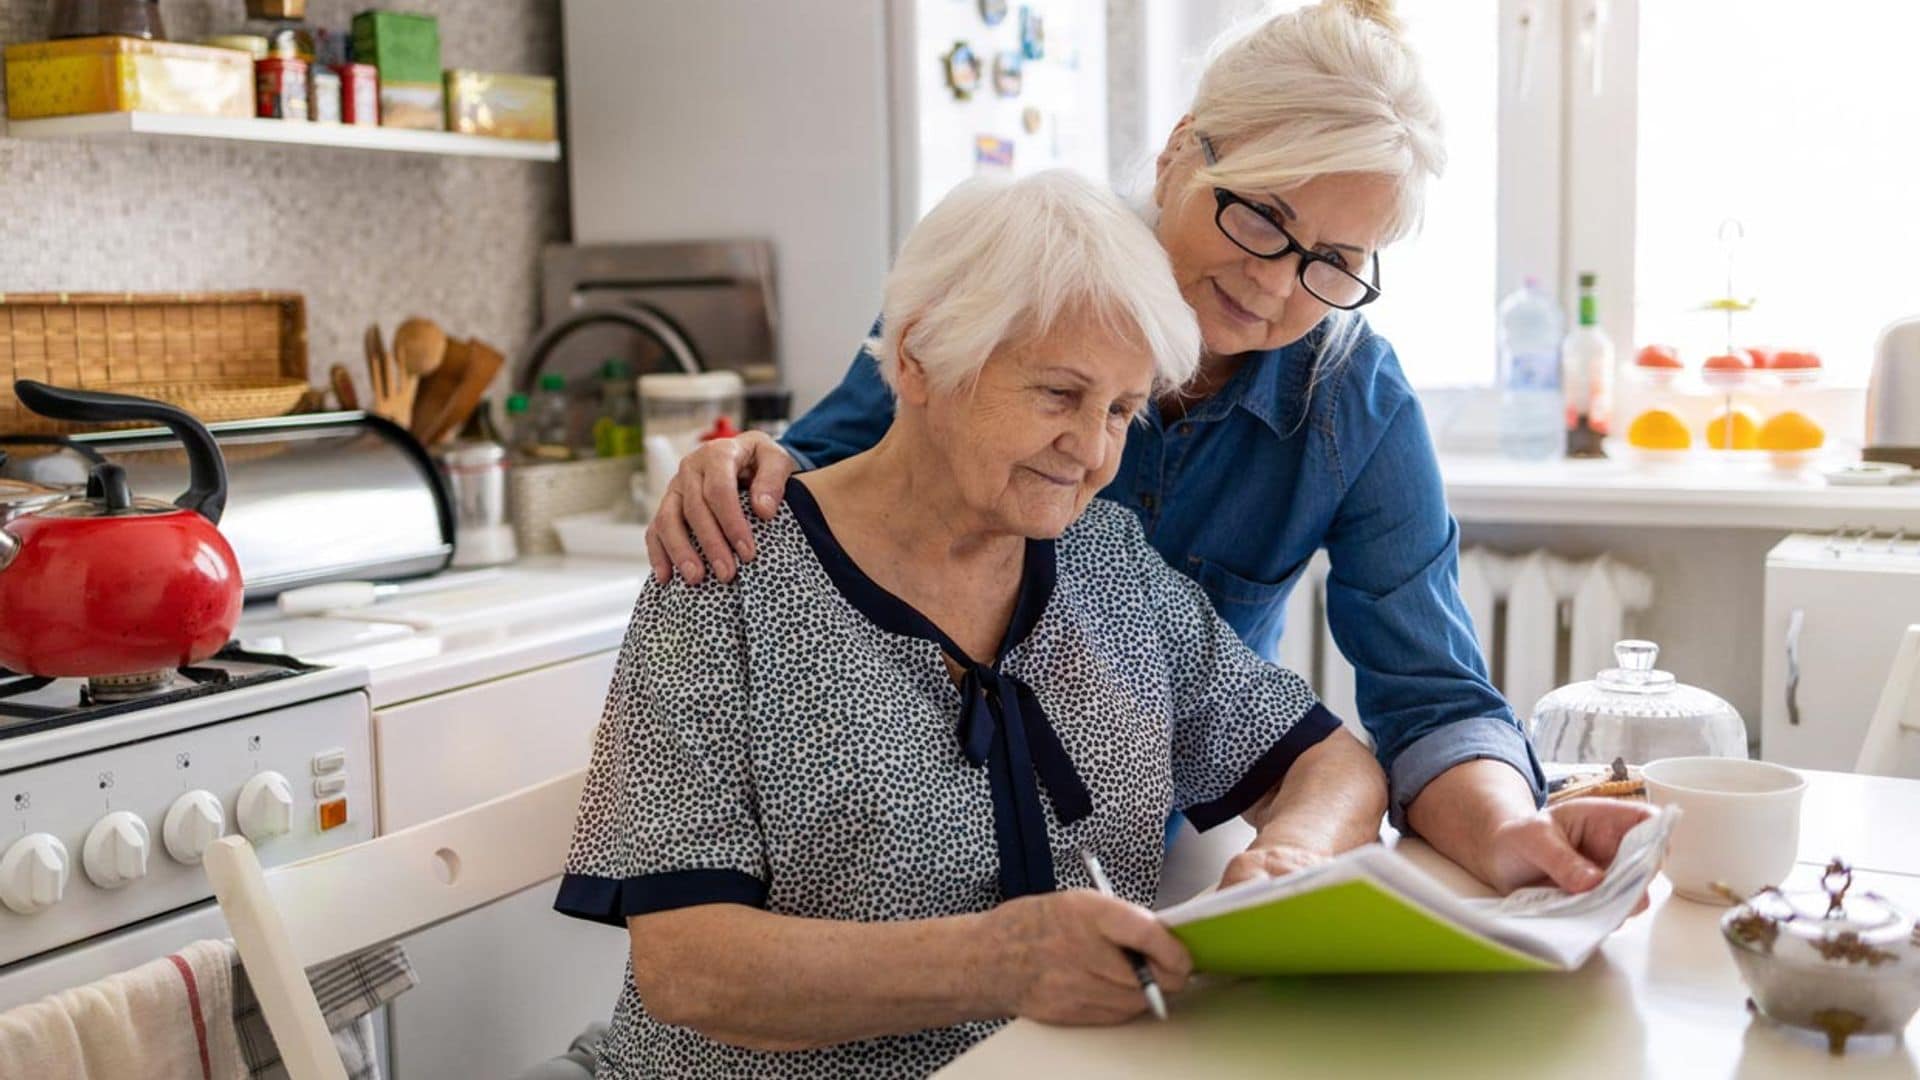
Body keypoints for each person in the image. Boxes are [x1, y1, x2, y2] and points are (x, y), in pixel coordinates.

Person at [644, 0, 1653, 897]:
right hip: (895, 853)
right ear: (1180, 155)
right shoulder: (1019, 278)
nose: (1276, 286)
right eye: (1263, 215)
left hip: (1135, 854)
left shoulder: (1353, 400)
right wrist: (741, 462)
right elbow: (819, 484)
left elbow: (1431, 697)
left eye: (1334, 263)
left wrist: (1515, 832)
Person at [556, 170, 1392, 1077]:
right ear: (917, 357)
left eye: (1121, 410)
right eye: (1057, 395)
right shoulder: (728, 570)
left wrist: (1291, 854)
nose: (1093, 453)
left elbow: (1330, 762)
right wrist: (998, 963)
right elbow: (690, 968)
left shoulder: (1107, 563)